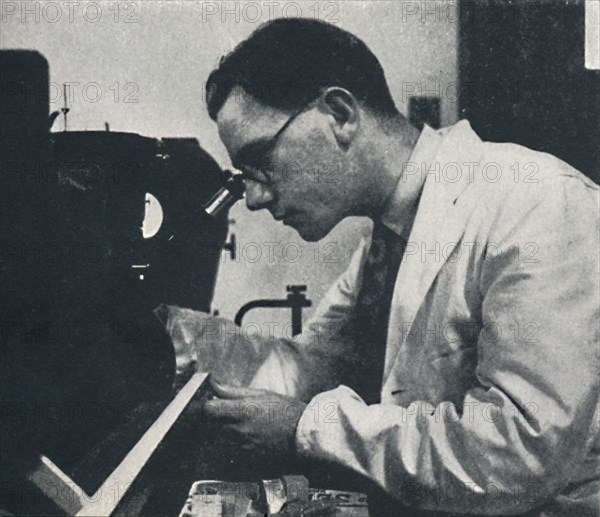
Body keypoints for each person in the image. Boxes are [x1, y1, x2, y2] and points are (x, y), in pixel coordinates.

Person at [195, 18, 599, 516]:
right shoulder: (387, 237)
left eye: (260, 159)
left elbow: (520, 449)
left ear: (339, 114)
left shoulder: (534, 201)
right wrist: (179, 334)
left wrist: (308, 428)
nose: (253, 197)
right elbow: (309, 365)